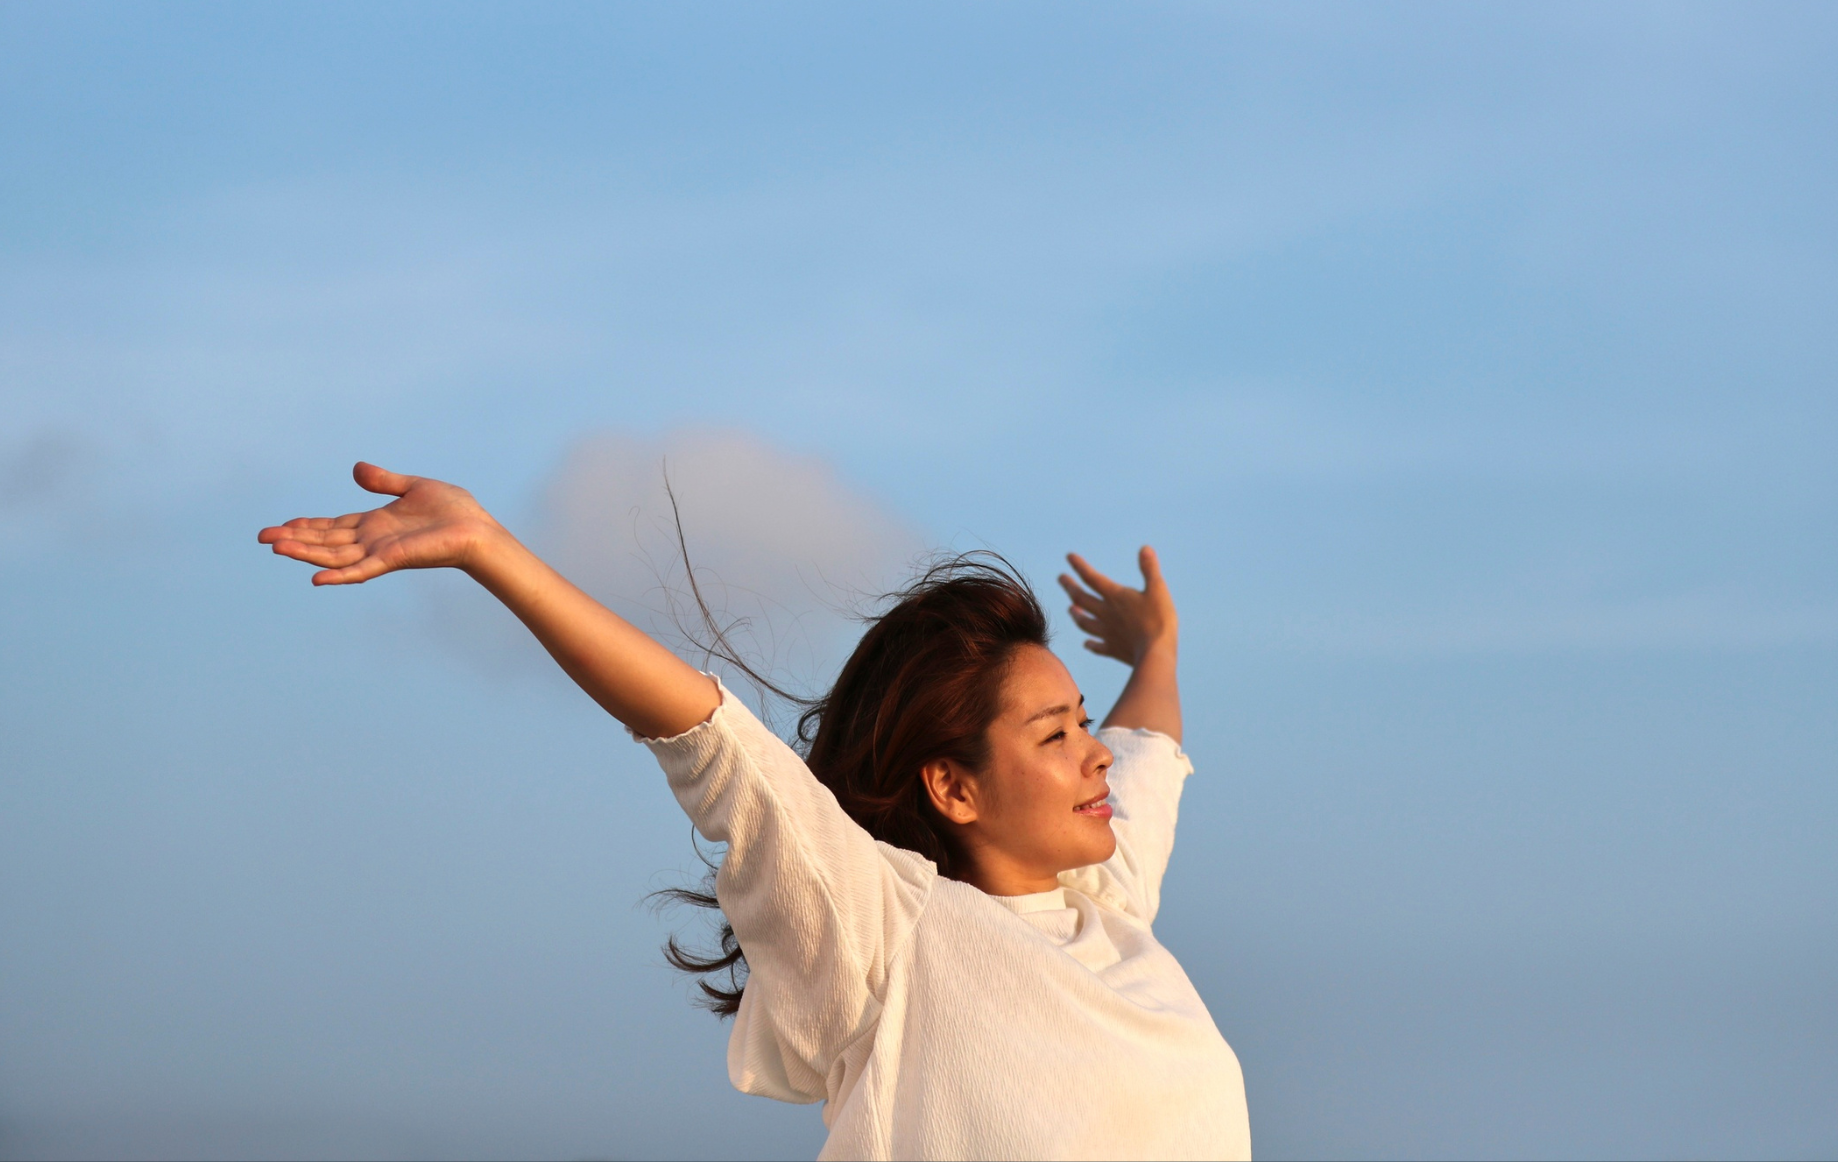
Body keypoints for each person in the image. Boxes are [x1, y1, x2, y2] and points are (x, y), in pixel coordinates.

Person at [259, 461, 1250, 1161]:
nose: (1091, 754)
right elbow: (712, 735)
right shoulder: (890, 930)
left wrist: (1153, 647)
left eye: (1082, 721)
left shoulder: (1106, 903)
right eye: (1052, 734)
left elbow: (1147, 753)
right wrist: (490, 549)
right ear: (952, 787)